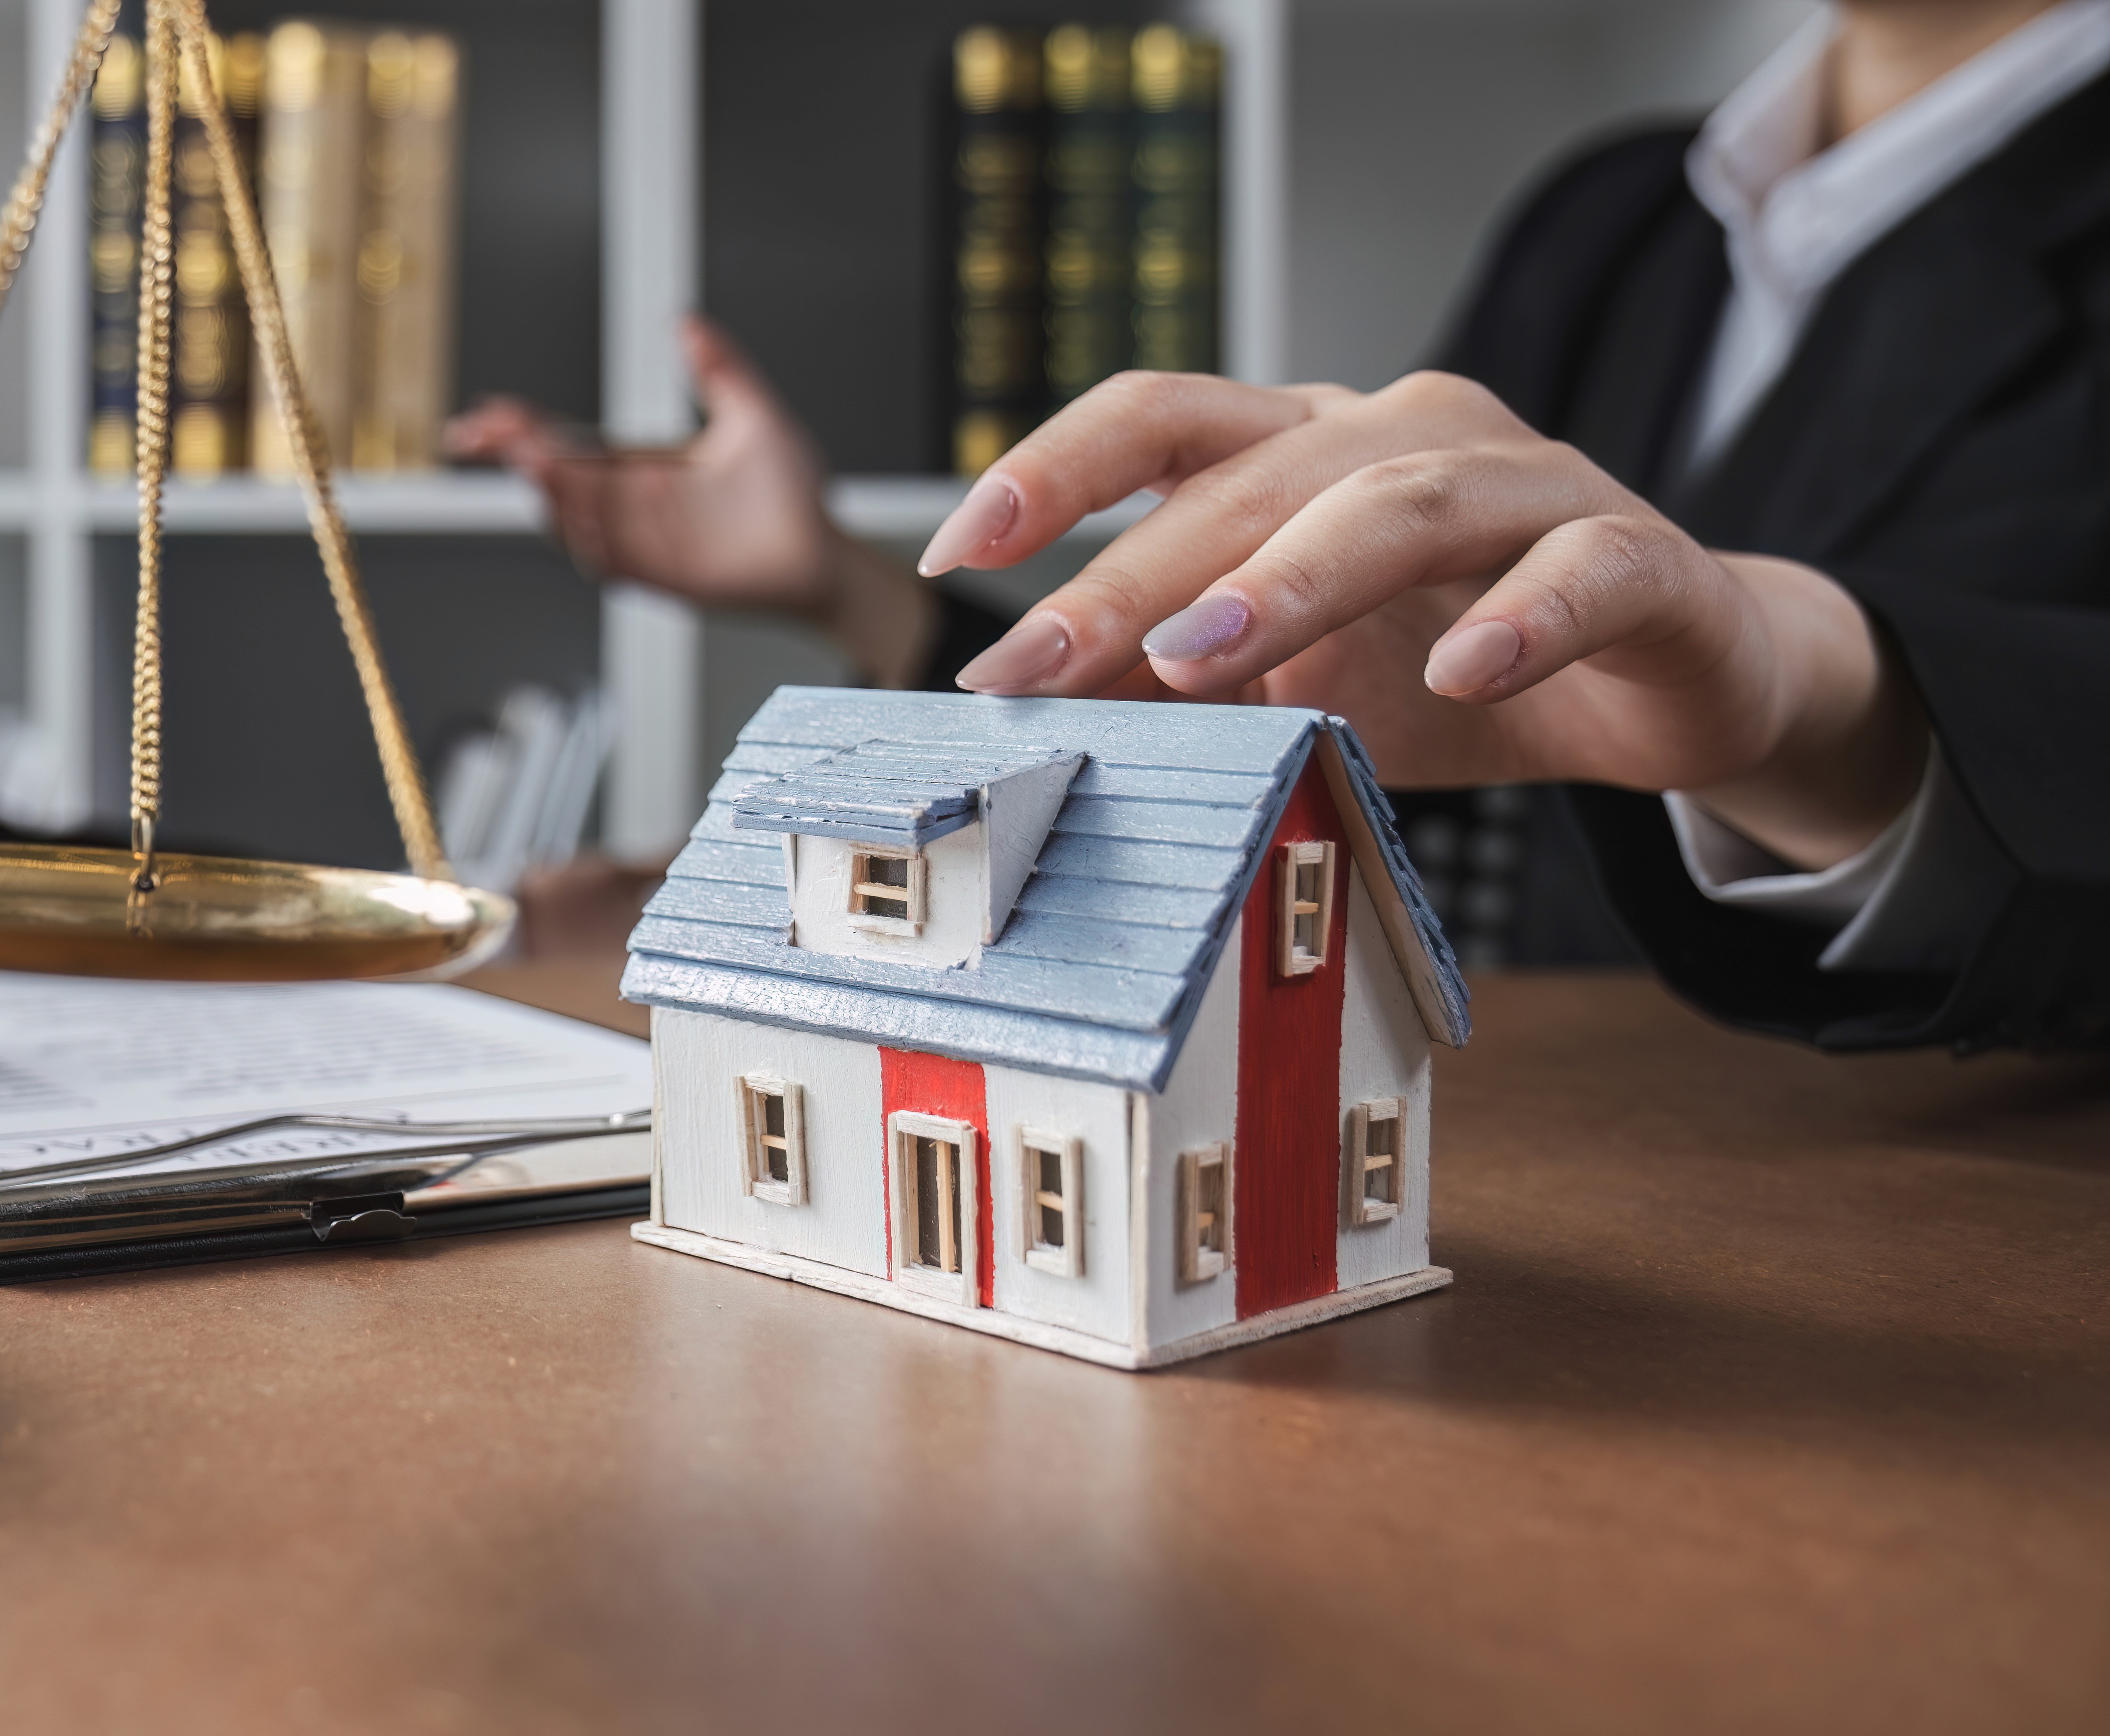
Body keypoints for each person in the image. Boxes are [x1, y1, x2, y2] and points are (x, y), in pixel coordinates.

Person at [458, 0, 2110, 1054]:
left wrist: (1802, 693)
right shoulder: (1619, 217)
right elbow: (1380, 721)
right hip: (1566, 1185)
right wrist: (835, 803)